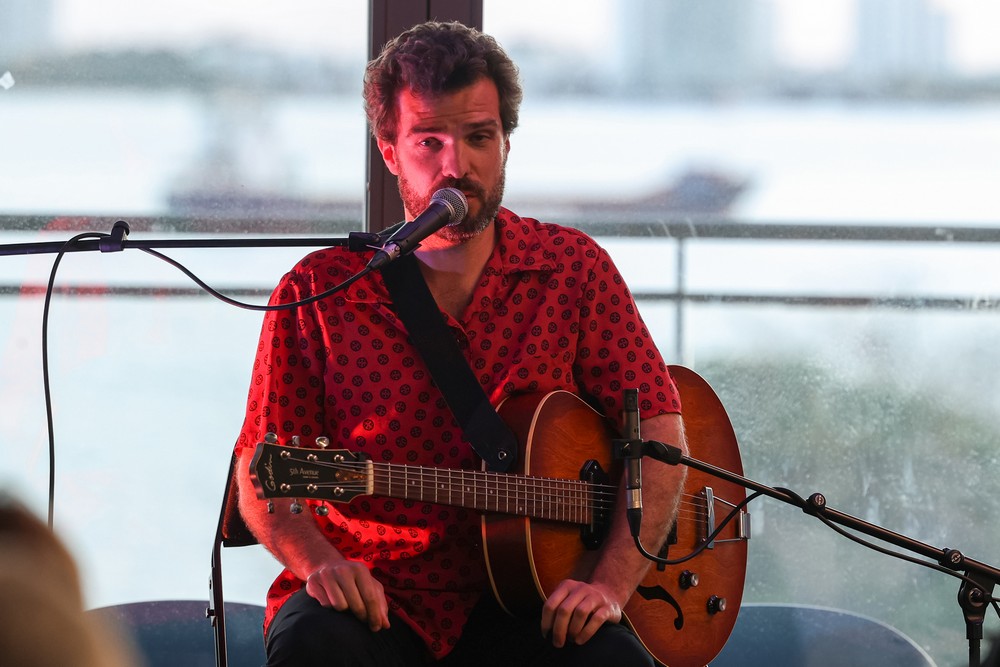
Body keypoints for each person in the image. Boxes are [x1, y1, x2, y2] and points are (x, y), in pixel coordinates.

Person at [234, 20, 688, 667]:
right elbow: (264, 472)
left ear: (505, 143)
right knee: (315, 644)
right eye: (429, 141)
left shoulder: (573, 269)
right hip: (375, 596)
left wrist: (608, 585)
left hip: (533, 596)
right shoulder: (317, 291)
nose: (458, 164)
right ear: (389, 151)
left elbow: (662, 433)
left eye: (479, 137)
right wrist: (321, 564)